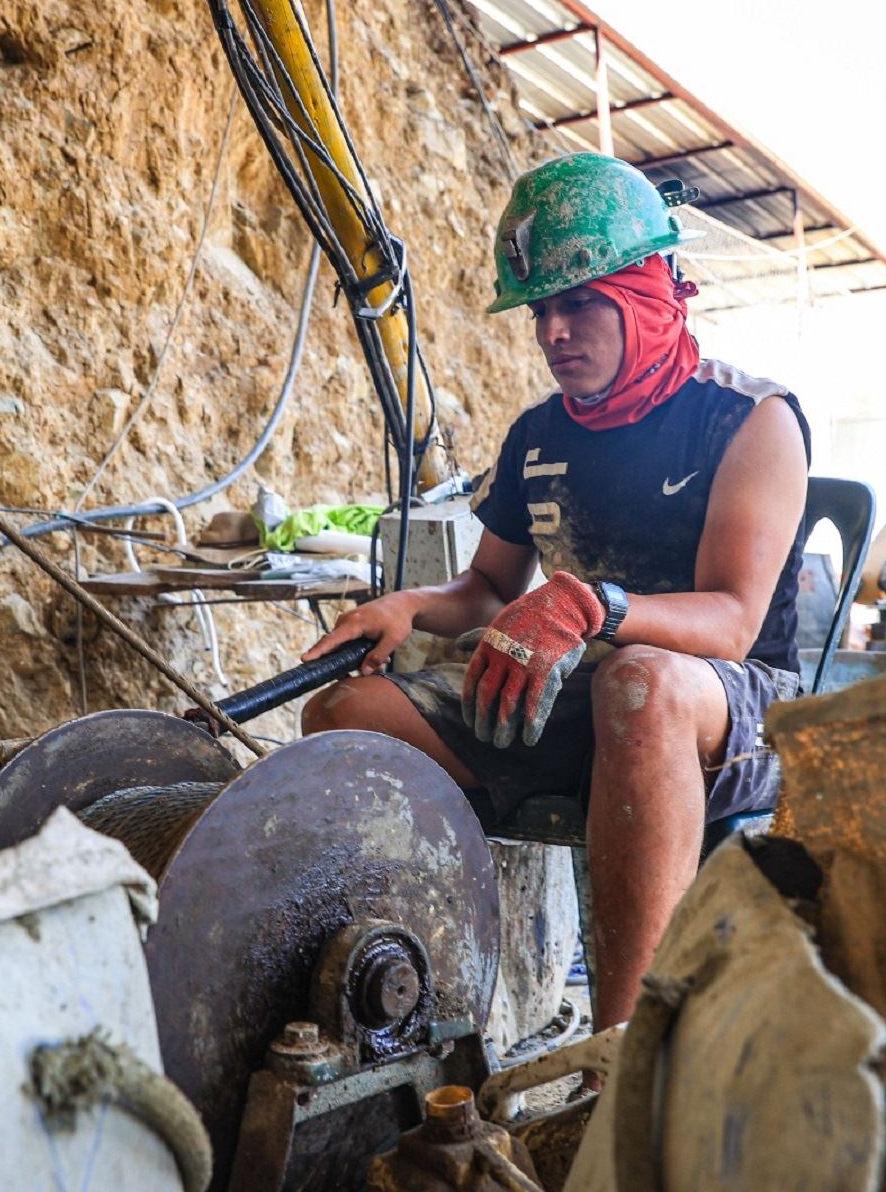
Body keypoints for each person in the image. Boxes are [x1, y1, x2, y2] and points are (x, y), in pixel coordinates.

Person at [300, 152, 810, 1032]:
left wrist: (592, 605)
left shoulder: (748, 420)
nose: (553, 332)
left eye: (579, 303)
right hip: (580, 690)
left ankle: (614, 1053)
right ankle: (422, 1004)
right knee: (345, 719)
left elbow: (731, 622)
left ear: (649, 290)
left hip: (731, 708)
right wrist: (411, 607)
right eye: (541, 310)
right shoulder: (538, 434)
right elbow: (491, 589)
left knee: (639, 685)